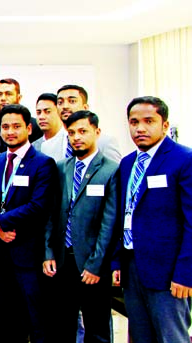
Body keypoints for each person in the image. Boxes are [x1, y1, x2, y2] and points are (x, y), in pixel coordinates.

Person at [113, 96, 192, 343]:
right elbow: (123, 215)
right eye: (134, 122)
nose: (140, 128)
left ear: (165, 125)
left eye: (149, 121)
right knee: (139, 337)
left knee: (171, 337)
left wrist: (186, 273)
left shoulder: (183, 159)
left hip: (169, 272)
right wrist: (117, 262)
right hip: (133, 266)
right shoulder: (127, 164)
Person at [0, 104, 57, 343]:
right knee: (4, 317)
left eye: (16, 126)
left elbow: (38, 206)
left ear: (29, 128)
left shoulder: (43, 163)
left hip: (26, 254)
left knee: (35, 318)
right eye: (5, 127)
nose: (10, 131)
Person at [42, 111, 117, 343]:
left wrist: (96, 264)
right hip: (63, 261)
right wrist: (48, 253)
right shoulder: (61, 167)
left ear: (97, 132)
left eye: (83, 131)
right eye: (71, 133)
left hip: (92, 264)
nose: (77, 137)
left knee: (97, 328)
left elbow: (109, 222)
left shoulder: (111, 170)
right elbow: (50, 215)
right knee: (62, 325)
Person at [56, 85, 122, 162]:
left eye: (72, 101)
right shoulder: (48, 145)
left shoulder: (105, 142)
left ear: (85, 108)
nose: (65, 106)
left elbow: (112, 171)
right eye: (60, 102)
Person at [32, 93, 66, 161]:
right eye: (39, 113)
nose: (41, 117)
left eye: (47, 112)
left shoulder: (70, 141)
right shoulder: (34, 147)